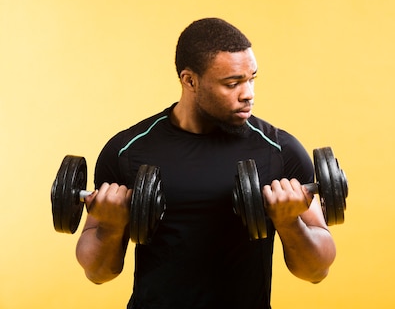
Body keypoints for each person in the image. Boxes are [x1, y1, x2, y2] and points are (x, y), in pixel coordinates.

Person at [75, 18, 337, 308]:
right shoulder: (127, 151)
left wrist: (289, 222)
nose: (248, 93)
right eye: (232, 83)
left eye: (252, 79)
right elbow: (98, 273)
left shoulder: (280, 151)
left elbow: (316, 270)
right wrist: (111, 227)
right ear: (190, 81)